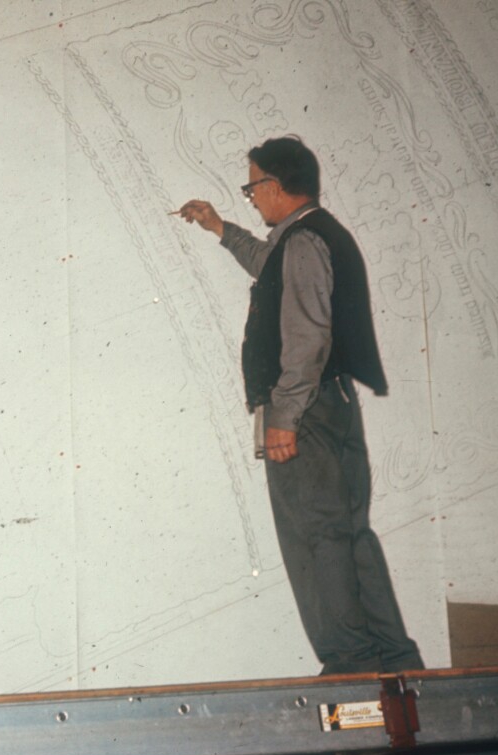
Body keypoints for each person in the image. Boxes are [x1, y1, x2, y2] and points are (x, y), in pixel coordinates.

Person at [178, 136, 424, 674]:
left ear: (274, 185)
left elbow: (307, 337)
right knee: (349, 534)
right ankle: (396, 661)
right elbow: (269, 265)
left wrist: (283, 418)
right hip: (330, 404)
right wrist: (221, 228)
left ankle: (351, 663)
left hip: (303, 411)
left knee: (317, 538)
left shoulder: (304, 242)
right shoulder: (310, 237)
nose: (252, 198)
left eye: (252, 187)